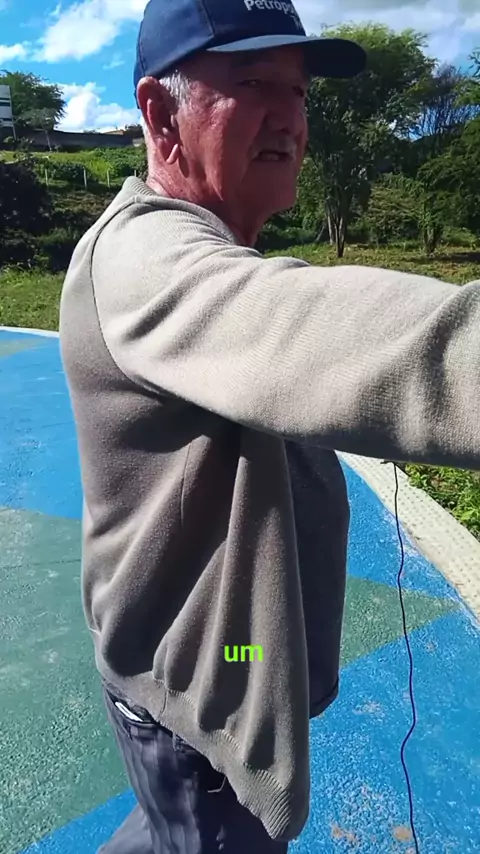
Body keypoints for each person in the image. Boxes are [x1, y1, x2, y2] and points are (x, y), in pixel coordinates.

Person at [59, 0, 480, 852]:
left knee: (169, 826)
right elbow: (375, 342)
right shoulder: (144, 260)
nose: (290, 116)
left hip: (194, 670)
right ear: (160, 114)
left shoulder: (213, 249)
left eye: (299, 92)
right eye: (253, 83)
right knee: (207, 827)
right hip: (207, 686)